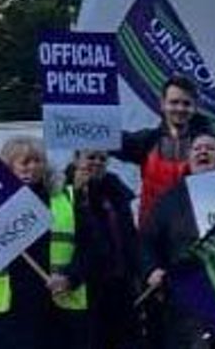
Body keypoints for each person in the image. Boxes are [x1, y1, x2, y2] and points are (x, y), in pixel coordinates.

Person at [0, 137, 91, 348]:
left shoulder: (66, 198)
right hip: (12, 308)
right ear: (9, 166)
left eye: (38, 161)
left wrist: (70, 278)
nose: (32, 167)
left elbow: (91, 248)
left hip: (59, 303)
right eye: (25, 162)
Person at [141, 132, 215, 348]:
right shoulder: (169, 200)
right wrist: (151, 270)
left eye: (210, 148)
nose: (203, 152)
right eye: (197, 149)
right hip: (186, 300)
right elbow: (146, 241)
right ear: (189, 159)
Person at [68, 150, 140, 349]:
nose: (97, 162)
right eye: (91, 157)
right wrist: (79, 196)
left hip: (121, 284)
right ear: (76, 159)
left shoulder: (116, 191)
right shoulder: (63, 193)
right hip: (86, 286)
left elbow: (129, 237)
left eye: (102, 158)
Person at [116, 76, 212, 224]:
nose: (180, 108)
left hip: (194, 235)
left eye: (186, 103)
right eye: (174, 102)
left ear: (195, 106)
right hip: (153, 236)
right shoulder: (148, 141)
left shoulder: (212, 147)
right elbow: (107, 138)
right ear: (162, 104)